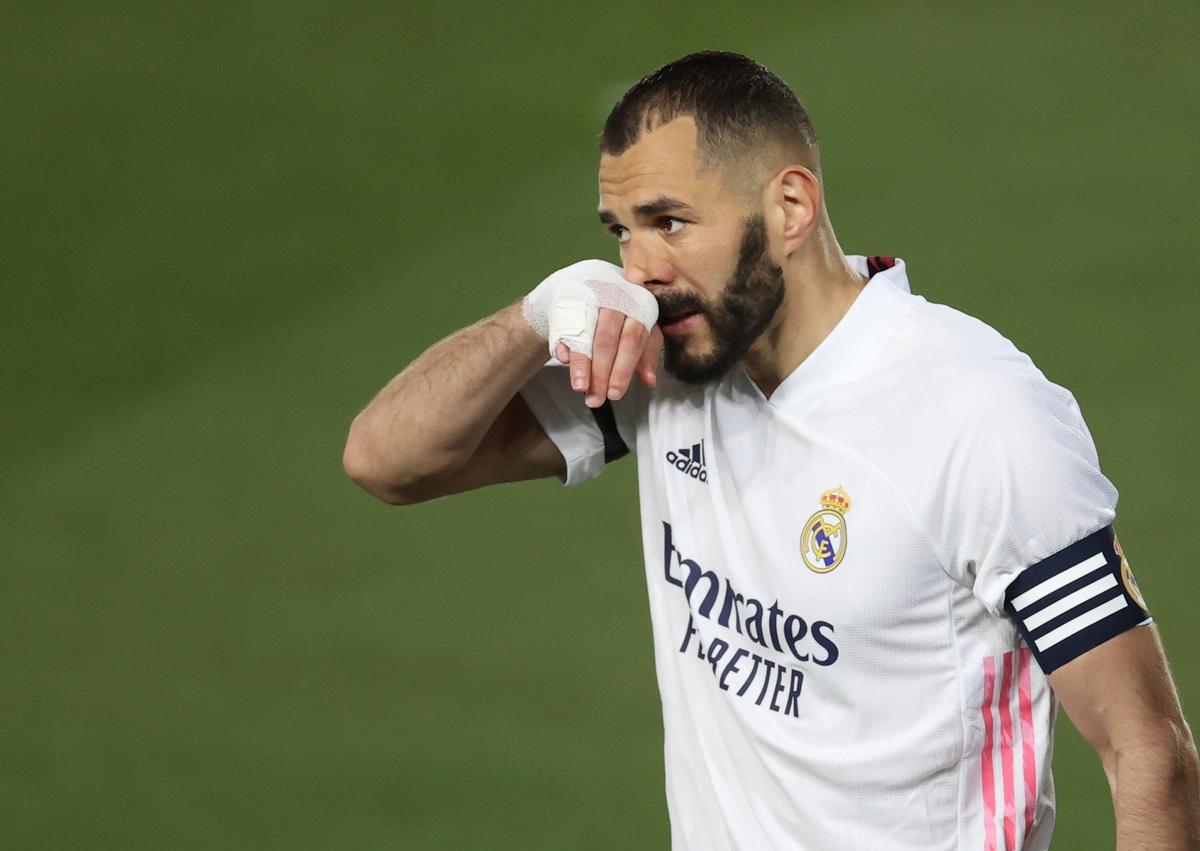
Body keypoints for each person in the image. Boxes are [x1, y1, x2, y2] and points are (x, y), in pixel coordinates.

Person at [342, 51, 1199, 850]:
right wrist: (539, 312)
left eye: (670, 222)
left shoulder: (978, 417)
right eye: (620, 231)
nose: (638, 267)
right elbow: (388, 460)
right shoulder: (669, 363)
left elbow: (1147, 749)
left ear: (790, 206)